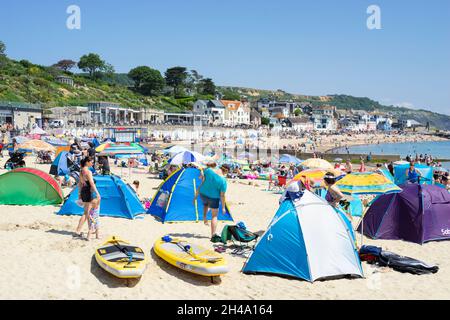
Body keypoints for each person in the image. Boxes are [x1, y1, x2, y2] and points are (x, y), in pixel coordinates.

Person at [194, 162, 229, 242]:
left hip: (203, 194)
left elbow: (201, 174)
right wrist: (223, 207)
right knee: (214, 216)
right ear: (226, 171)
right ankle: (213, 234)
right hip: (213, 198)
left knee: (206, 204)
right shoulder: (223, 181)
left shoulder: (209, 170)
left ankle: (205, 218)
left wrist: (201, 176)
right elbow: (222, 195)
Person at [74, 157, 101, 239]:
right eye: (91, 162)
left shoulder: (81, 171)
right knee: (86, 213)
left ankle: (90, 229)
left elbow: (80, 184)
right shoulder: (88, 172)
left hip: (84, 192)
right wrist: (97, 193)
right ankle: (78, 230)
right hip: (89, 192)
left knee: (87, 212)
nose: (92, 163)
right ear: (87, 162)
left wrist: (79, 194)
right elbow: (92, 183)